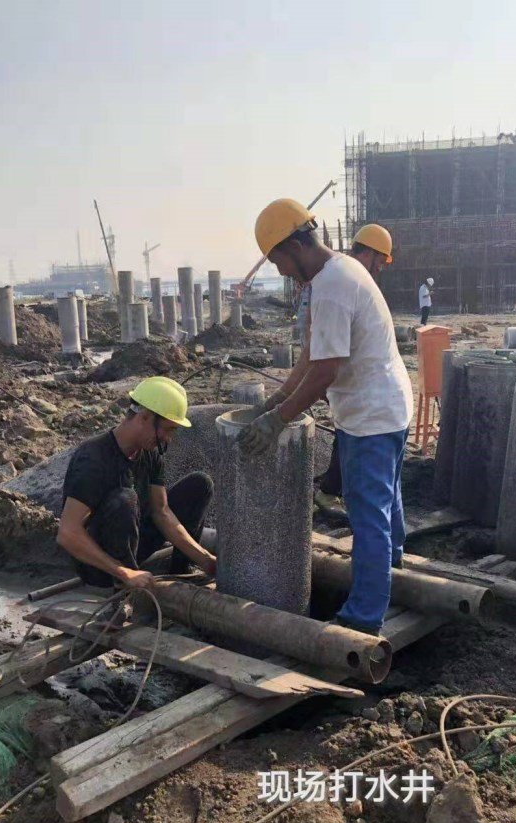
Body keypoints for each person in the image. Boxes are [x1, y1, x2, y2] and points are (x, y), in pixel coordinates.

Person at [239, 199, 413, 635]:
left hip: (372, 416)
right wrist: (276, 399)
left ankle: (363, 617)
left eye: (278, 261)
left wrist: (277, 420)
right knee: (386, 495)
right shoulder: (333, 276)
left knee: (367, 515)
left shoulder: (333, 286)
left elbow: (325, 372)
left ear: (295, 246)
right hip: (384, 406)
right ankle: (392, 565)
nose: (281, 271)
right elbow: (311, 357)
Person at [57, 376, 217, 595]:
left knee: (199, 485)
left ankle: (181, 571)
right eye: (167, 429)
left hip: (132, 544)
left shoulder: (149, 453)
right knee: (126, 498)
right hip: (98, 565)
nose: (168, 438)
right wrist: (125, 573)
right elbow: (68, 533)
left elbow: (162, 512)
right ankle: (123, 590)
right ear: (144, 417)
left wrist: (205, 558)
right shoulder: (93, 459)